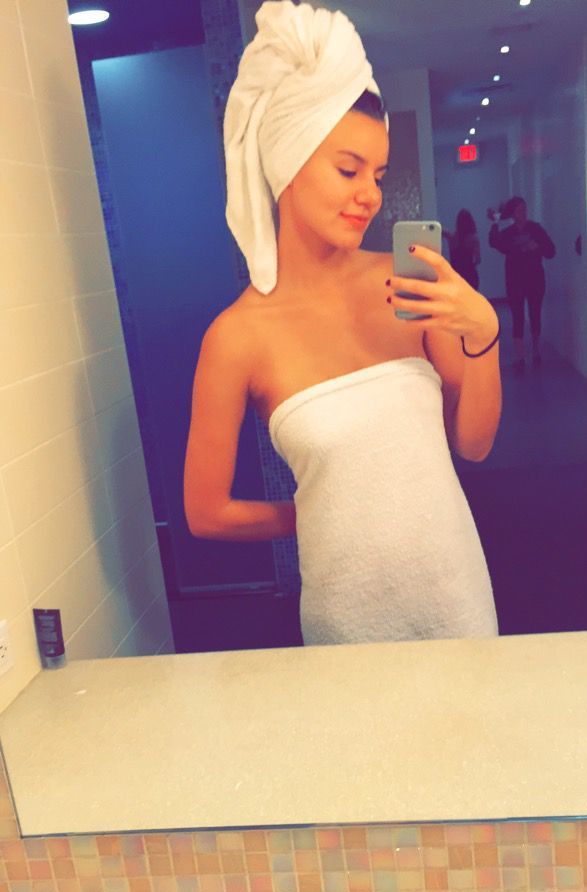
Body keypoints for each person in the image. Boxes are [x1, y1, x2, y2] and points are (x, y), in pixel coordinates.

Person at [184, 0, 502, 647]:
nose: (370, 195)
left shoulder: (410, 282)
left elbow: (472, 445)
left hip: (454, 593)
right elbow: (206, 512)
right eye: (348, 169)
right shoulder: (237, 337)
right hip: (346, 618)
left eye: (378, 174)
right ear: (287, 161)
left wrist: (483, 335)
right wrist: (318, 512)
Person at [488, 196, 556, 371]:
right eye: (519, 211)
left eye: (524, 210)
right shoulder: (508, 233)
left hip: (535, 278)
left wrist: (537, 247)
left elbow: (551, 251)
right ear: (512, 214)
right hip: (515, 280)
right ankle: (520, 356)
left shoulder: (536, 229)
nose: (523, 213)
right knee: (517, 316)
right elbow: (494, 242)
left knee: (535, 314)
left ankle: (536, 351)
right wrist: (495, 223)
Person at [443, 209, 481, 290]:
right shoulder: (474, 239)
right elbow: (478, 260)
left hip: (455, 275)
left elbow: (440, 230)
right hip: (470, 275)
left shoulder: (451, 237)